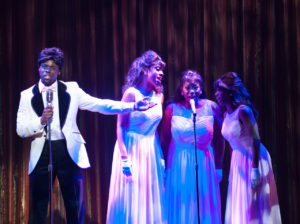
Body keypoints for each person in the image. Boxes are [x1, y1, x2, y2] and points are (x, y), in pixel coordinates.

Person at [16, 47, 155, 224]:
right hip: (42, 153)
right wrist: (41, 121)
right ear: (38, 68)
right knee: (38, 208)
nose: (46, 70)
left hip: (69, 152)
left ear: (59, 70)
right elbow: (20, 130)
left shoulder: (72, 90)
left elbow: (100, 105)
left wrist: (132, 106)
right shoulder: (27, 95)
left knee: (74, 207)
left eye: (52, 67)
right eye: (43, 66)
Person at [106, 50, 166, 224]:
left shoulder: (159, 95)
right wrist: (124, 158)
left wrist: (160, 156)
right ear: (145, 70)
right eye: (157, 68)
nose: (161, 73)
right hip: (131, 148)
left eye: (162, 70)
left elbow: (154, 129)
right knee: (132, 195)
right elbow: (121, 126)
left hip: (151, 150)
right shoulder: (131, 93)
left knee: (149, 196)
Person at [214, 72, 282, 224]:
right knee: (241, 202)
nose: (217, 94)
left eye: (221, 90)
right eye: (217, 90)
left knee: (254, 202)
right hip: (238, 161)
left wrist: (255, 169)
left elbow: (256, 140)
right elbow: (232, 143)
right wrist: (233, 166)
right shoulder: (226, 115)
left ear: (230, 92)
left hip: (253, 159)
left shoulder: (244, 111)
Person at [161, 70, 224, 224]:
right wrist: (162, 166)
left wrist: (219, 167)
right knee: (183, 202)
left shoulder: (212, 107)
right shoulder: (171, 109)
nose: (192, 91)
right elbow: (164, 139)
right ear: (181, 90)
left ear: (201, 89)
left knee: (203, 204)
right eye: (187, 87)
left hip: (205, 163)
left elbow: (220, 139)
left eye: (195, 87)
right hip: (178, 164)